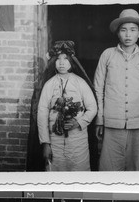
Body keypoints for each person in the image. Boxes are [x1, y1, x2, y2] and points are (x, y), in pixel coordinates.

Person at [94, 9, 139, 171]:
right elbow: (98, 89)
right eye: (123, 30)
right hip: (112, 121)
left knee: (138, 166)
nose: (128, 35)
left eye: (133, 30)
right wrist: (100, 120)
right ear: (118, 33)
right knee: (109, 167)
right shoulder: (107, 55)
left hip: (138, 122)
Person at [38, 41, 97, 171]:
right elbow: (42, 113)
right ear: (53, 62)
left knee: (79, 176)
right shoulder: (49, 84)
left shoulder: (80, 82)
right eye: (58, 59)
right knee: (55, 175)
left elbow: (92, 108)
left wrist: (79, 122)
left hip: (78, 142)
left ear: (71, 61)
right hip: (55, 143)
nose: (62, 62)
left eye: (65, 59)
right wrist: (46, 143)